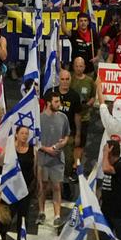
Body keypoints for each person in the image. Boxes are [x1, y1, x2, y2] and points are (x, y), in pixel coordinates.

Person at [38, 93, 70, 228]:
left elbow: (67, 135)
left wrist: (62, 143)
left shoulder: (63, 118)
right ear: (48, 103)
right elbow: (34, 141)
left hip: (57, 159)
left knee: (57, 187)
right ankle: (41, 212)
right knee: (42, 187)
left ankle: (57, 216)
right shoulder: (39, 119)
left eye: (59, 102)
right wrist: (46, 149)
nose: (59, 104)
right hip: (42, 158)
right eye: (56, 102)